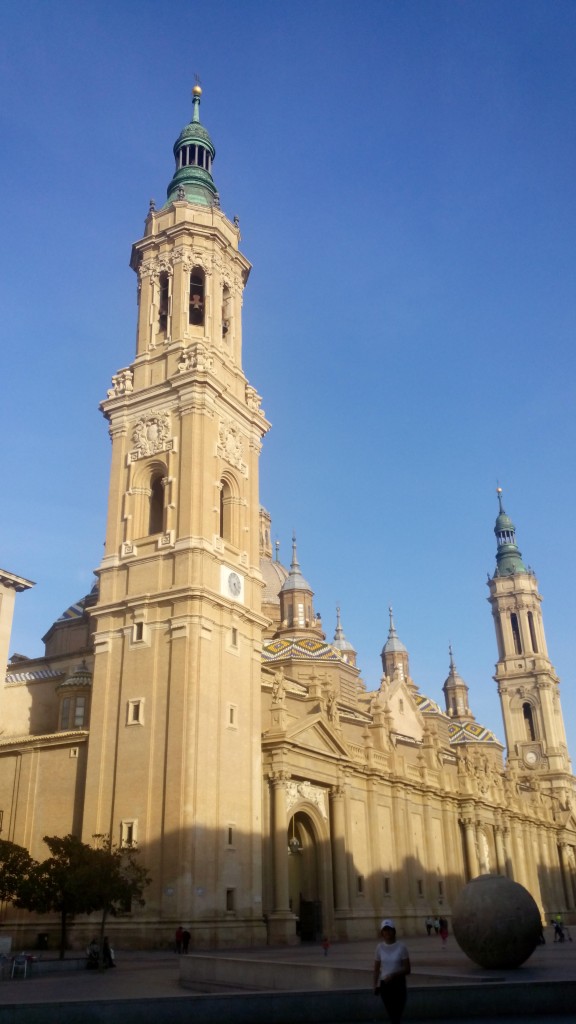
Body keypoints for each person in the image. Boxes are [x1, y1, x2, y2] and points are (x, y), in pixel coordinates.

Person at [373, 918, 411, 1024]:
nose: (387, 932)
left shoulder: (402, 947)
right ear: (382, 932)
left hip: (399, 984)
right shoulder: (379, 948)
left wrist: (393, 975)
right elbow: (376, 969)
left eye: (389, 929)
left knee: (397, 1014)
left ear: (394, 931)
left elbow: (408, 969)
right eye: (385, 930)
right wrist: (374, 985)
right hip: (385, 985)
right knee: (392, 1014)